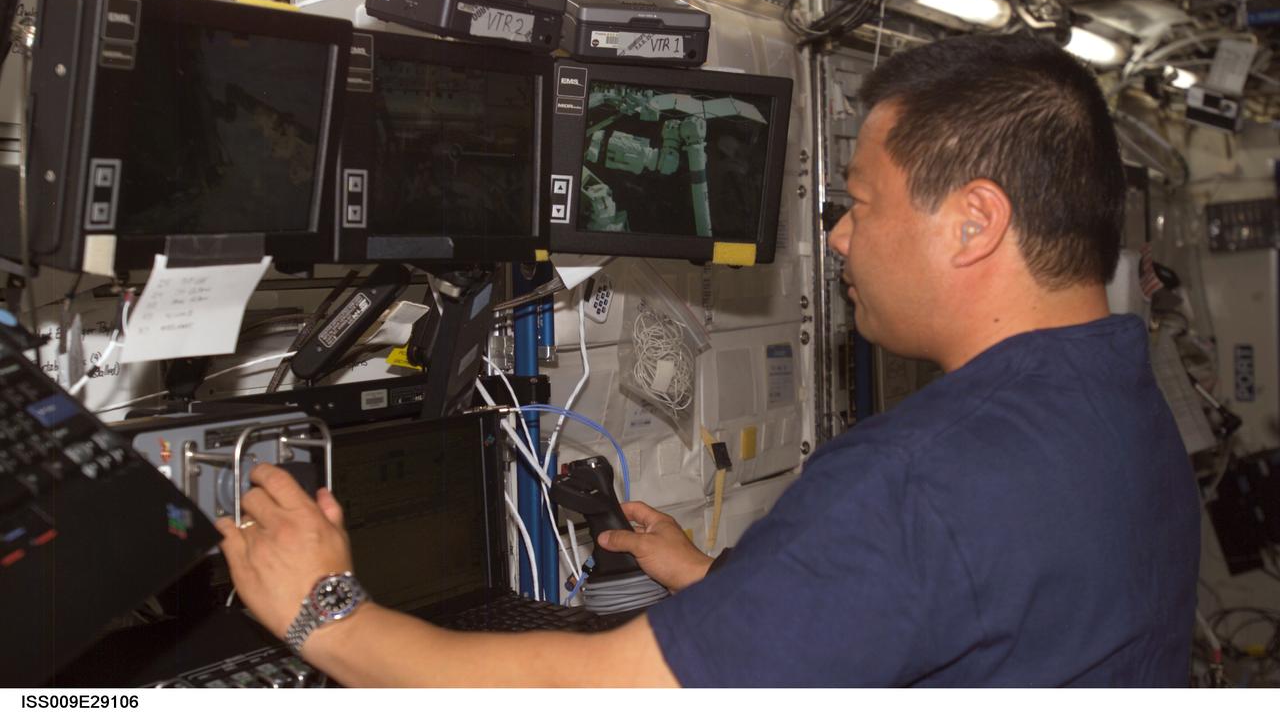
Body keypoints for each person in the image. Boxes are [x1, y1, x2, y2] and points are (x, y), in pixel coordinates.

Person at [217, 34, 1201, 687]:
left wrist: (329, 618)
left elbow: (605, 693)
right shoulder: (1115, 399)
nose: (840, 239)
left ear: (974, 221)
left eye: (858, 202)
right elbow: (951, 601)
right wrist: (720, 584)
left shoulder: (919, 475)